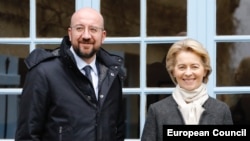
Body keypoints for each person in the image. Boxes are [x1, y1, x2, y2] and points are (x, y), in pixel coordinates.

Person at [15, 7, 125, 141]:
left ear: (103, 36)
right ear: (70, 33)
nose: (86, 36)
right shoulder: (43, 72)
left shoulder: (112, 76)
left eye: (93, 29)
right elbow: (27, 136)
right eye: (79, 28)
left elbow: (118, 132)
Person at [141, 38, 233, 141]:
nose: (188, 73)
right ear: (173, 72)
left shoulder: (221, 111)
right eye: (182, 67)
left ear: (205, 71)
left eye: (194, 67)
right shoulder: (157, 111)